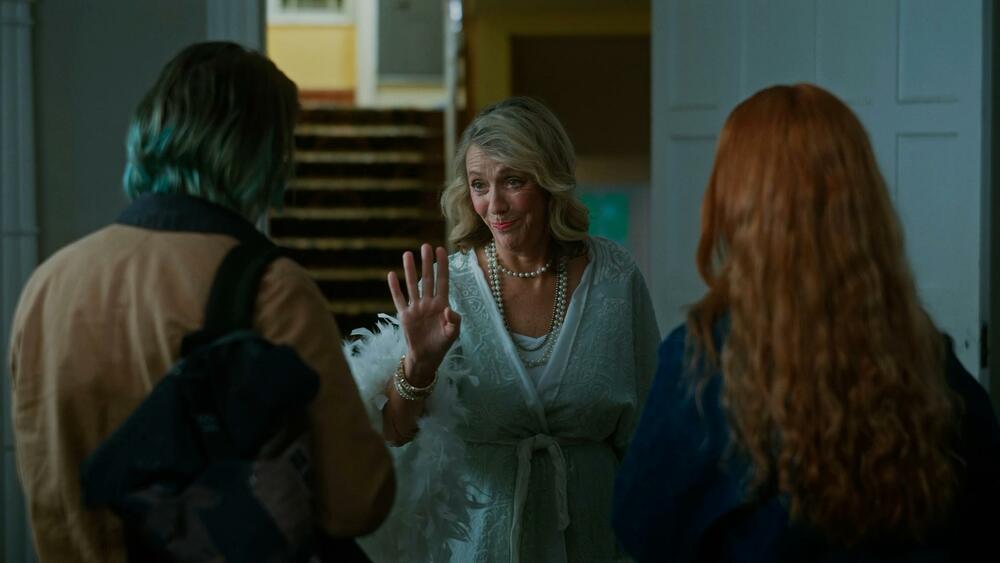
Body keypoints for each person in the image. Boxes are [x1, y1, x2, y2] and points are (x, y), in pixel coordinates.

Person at [7, 42, 394, 562]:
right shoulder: (271, 289)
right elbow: (357, 501)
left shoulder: (48, 285)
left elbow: (45, 483)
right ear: (259, 153)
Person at [612, 83, 1000, 562]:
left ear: (736, 204)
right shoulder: (928, 360)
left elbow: (642, 526)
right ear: (863, 203)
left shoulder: (703, 360)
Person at [344, 96, 660, 562]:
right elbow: (394, 431)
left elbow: (649, 432)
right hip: (480, 548)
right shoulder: (448, 289)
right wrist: (420, 365)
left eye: (513, 181)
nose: (494, 205)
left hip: (597, 541)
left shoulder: (616, 276)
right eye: (479, 185)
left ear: (549, 180)